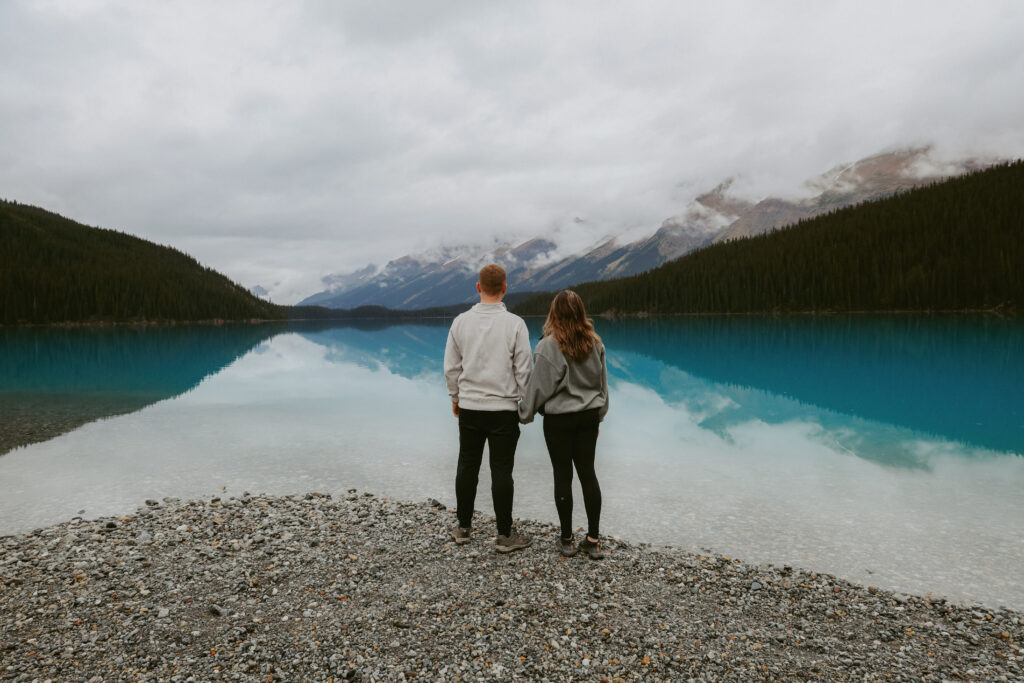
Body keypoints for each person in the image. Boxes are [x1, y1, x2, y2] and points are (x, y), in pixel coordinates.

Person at [444, 264, 533, 553]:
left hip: (470, 406)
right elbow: (524, 371)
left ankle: (463, 527)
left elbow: (451, 367)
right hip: (503, 409)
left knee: (467, 464)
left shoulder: (460, 322)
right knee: (502, 470)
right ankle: (505, 535)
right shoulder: (515, 324)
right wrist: (525, 405)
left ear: (478, 287)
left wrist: (455, 398)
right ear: (505, 288)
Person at [519, 289, 608, 559]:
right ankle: (593, 540)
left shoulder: (548, 346)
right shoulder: (595, 342)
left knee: (563, 475)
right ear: (581, 311)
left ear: (554, 313)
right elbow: (603, 386)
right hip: (588, 416)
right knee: (588, 474)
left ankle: (567, 539)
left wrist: (524, 413)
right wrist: (599, 415)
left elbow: (539, 388)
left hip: (559, 420)